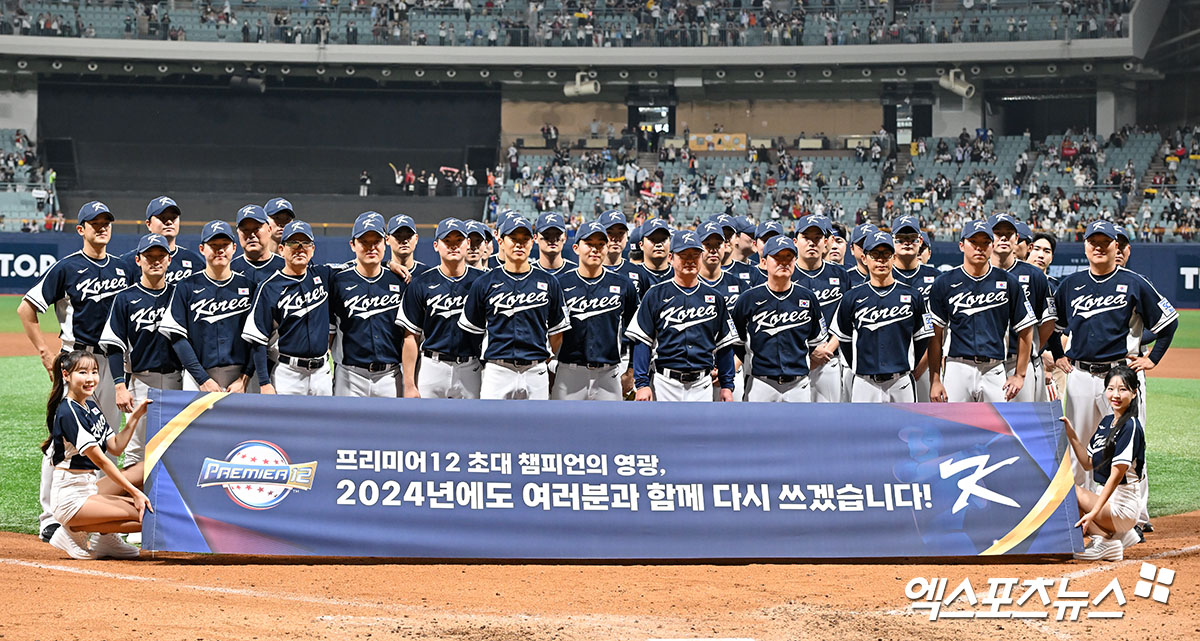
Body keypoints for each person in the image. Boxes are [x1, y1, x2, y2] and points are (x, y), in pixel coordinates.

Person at [19, 201, 130, 543]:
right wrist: (44, 351)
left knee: (106, 436)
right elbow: (27, 309)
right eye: (93, 223)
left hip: (110, 362)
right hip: (75, 360)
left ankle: (90, 510)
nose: (101, 228)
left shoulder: (123, 268)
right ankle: (49, 517)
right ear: (80, 229)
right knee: (62, 439)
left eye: (106, 223)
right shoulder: (66, 268)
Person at [1053, 220, 1177, 488]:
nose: (1098, 247)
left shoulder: (1134, 283)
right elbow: (1055, 326)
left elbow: (1169, 322)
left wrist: (1153, 358)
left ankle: (1135, 515)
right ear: (1085, 246)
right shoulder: (1069, 285)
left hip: (1122, 374)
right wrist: (1057, 353)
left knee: (1128, 443)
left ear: (1115, 246)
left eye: (1105, 242)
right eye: (1093, 242)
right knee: (1080, 444)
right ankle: (1082, 509)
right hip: (1081, 376)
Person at [43, 350, 151, 560]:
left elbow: (116, 447)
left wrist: (136, 416)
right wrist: (135, 493)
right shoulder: (68, 412)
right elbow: (102, 461)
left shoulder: (90, 405)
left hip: (89, 486)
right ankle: (72, 530)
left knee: (143, 468)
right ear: (66, 375)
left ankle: (105, 540)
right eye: (82, 372)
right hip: (70, 498)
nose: (90, 378)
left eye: (94, 372)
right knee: (146, 515)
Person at [459, 215, 570, 400]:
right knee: (492, 426)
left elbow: (557, 332)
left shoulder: (549, 282)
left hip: (536, 370)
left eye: (524, 239)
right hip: (497, 370)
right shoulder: (484, 282)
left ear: (532, 241)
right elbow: (472, 332)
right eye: (513, 239)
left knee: (536, 426)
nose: (519, 244)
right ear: (501, 241)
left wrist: (545, 356)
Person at [927, 220, 1036, 403]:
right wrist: (935, 378)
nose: (979, 247)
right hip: (958, 367)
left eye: (985, 242)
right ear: (962, 245)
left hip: (994, 368)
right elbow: (935, 335)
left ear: (992, 246)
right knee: (956, 428)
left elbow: (1026, 328)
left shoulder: (1008, 282)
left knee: (998, 428)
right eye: (973, 242)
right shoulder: (944, 282)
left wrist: (1020, 375)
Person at [626, 229, 738, 402]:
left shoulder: (715, 298)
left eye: (695, 255)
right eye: (683, 255)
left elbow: (724, 345)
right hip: (664, 383)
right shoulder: (655, 294)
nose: (690, 260)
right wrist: (641, 384)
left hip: (703, 384)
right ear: (671, 258)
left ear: (701, 257)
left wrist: (727, 385)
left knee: (702, 430)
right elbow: (643, 342)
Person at [99, 233, 182, 467]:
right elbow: (114, 345)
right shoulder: (125, 298)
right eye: (149, 256)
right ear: (138, 260)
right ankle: (132, 501)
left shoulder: (180, 294)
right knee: (136, 449)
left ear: (169, 260)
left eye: (161, 256)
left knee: (174, 445)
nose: (155, 261)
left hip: (178, 380)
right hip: (141, 381)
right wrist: (119, 386)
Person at [161, 220, 270, 394]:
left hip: (241, 378)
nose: (219, 249)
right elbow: (177, 337)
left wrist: (245, 377)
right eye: (213, 244)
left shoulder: (250, 287)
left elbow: (257, 339)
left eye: (225, 244)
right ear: (202, 249)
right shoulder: (186, 286)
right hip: (198, 375)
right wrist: (202, 379)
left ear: (234, 248)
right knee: (197, 422)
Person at [832, 232, 932, 402]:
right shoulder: (852, 297)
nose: (881, 260)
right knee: (864, 429)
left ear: (893, 257)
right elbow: (845, 340)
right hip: (865, 382)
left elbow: (922, 339)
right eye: (875, 254)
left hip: (901, 382)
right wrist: (860, 366)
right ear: (865, 258)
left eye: (886, 254)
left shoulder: (913, 296)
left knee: (904, 428)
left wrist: (909, 364)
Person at [1062, 365, 1147, 561]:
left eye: (1123, 389)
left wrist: (1093, 514)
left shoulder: (1130, 426)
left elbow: (1116, 477)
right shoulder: (1106, 422)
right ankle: (1120, 535)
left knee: (1068, 489)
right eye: (1110, 388)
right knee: (1068, 488)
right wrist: (1071, 434)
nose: (1115, 394)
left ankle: (1105, 540)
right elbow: (1087, 463)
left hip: (1123, 505)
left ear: (1134, 393)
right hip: (1109, 502)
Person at [243, 221, 335, 396]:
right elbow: (258, 340)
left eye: (305, 243)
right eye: (293, 243)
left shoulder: (324, 275)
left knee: (323, 423)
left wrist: (388, 264)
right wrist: (264, 382)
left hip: (322, 373)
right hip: (288, 374)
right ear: (281, 249)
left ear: (313, 249)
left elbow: (358, 269)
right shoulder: (269, 287)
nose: (299, 248)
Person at [552, 221, 640, 400]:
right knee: (562, 427)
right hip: (569, 372)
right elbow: (547, 329)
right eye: (589, 243)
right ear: (576, 248)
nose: (595, 249)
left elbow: (636, 334)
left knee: (612, 428)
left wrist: (631, 370)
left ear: (607, 248)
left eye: (600, 244)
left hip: (608, 374)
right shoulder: (560, 284)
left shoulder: (623, 285)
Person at [398, 218, 484, 399]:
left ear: (467, 244)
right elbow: (410, 337)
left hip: (471, 367)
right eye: (447, 241)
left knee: (471, 425)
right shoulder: (421, 283)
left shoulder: (482, 281)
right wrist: (409, 384)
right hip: (432, 366)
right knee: (427, 425)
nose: (453, 246)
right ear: (436, 245)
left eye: (458, 240)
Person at [732, 236, 825, 402]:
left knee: (800, 428)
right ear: (763, 261)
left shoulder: (808, 298)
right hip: (761, 384)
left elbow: (815, 345)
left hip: (799, 385)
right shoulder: (748, 299)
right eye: (777, 257)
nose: (784, 262)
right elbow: (737, 344)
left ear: (795, 260)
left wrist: (799, 370)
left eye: (789, 257)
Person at [330, 214, 406, 397]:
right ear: (352, 245)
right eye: (364, 241)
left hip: (390, 375)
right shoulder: (337, 281)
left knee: (391, 426)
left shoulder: (400, 281)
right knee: (345, 426)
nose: (371, 247)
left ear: (385, 242)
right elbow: (330, 332)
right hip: (349, 376)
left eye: (376, 241)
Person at [988, 213, 1057, 403]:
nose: (1003, 237)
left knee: (1026, 425)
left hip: (1022, 363)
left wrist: (1030, 350)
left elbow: (1048, 322)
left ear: (1016, 238)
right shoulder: (978, 273)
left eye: (1008, 233)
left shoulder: (1034, 275)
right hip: (986, 364)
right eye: (997, 233)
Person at [791, 216, 849, 402]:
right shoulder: (786, 273)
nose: (812, 243)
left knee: (829, 424)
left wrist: (826, 350)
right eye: (806, 237)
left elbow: (846, 319)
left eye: (817, 238)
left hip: (829, 359)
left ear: (826, 242)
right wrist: (808, 354)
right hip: (794, 359)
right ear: (795, 241)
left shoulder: (840, 275)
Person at [889, 216, 939, 401]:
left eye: (912, 238)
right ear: (892, 241)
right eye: (901, 238)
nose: (907, 242)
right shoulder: (881, 276)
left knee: (927, 420)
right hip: (892, 365)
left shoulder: (937, 278)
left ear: (920, 241)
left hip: (928, 363)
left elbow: (941, 327)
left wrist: (924, 362)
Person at [697, 221, 748, 400]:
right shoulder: (688, 285)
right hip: (698, 371)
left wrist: (731, 367)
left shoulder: (740, 286)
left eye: (717, 244)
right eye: (707, 245)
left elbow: (746, 333)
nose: (713, 249)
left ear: (725, 246)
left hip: (734, 366)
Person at [122, 197, 204, 287]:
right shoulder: (128, 262)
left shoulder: (195, 261)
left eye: (174, 218)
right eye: (162, 217)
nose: (169, 222)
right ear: (148, 224)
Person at [230, 204, 285, 286]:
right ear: (238, 233)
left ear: (269, 230)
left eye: (256, 229)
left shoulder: (285, 267)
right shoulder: (230, 270)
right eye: (245, 230)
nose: (251, 235)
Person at [534, 212, 576, 277]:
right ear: (535, 238)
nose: (552, 239)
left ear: (565, 237)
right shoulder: (528, 273)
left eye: (557, 234)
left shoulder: (576, 273)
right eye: (546, 235)